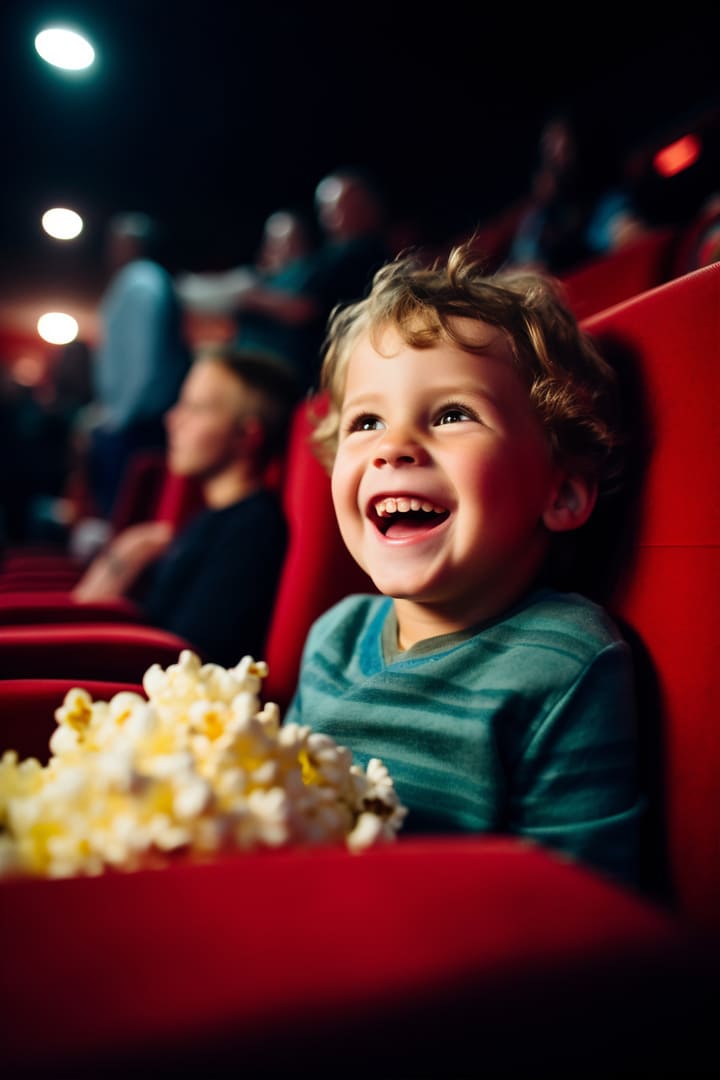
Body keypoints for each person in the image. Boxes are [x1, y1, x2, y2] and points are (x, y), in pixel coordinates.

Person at [284, 241, 643, 889]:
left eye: (453, 414)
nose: (394, 447)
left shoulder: (565, 662)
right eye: (366, 422)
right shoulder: (333, 638)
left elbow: (584, 914)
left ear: (560, 491)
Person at [73, 346, 302, 668]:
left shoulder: (252, 531)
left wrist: (119, 559)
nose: (173, 418)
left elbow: (189, 662)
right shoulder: (209, 518)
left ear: (247, 436)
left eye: (196, 407)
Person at [224, 168, 393, 391]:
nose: (331, 216)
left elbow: (306, 308)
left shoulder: (359, 252)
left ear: (369, 206)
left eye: (342, 206)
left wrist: (251, 298)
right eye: (326, 209)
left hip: (312, 377)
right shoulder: (328, 256)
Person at [88, 212, 192, 520]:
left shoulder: (142, 282)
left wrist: (120, 415)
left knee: (125, 510)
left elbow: (143, 356)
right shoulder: (140, 282)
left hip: (136, 419)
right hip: (133, 416)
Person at [507, 110, 646, 275]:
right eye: (548, 153)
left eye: (565, 150)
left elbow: (629, 235)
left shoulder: (608, 203)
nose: (555, 162)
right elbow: (519, 267)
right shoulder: (537, 220)